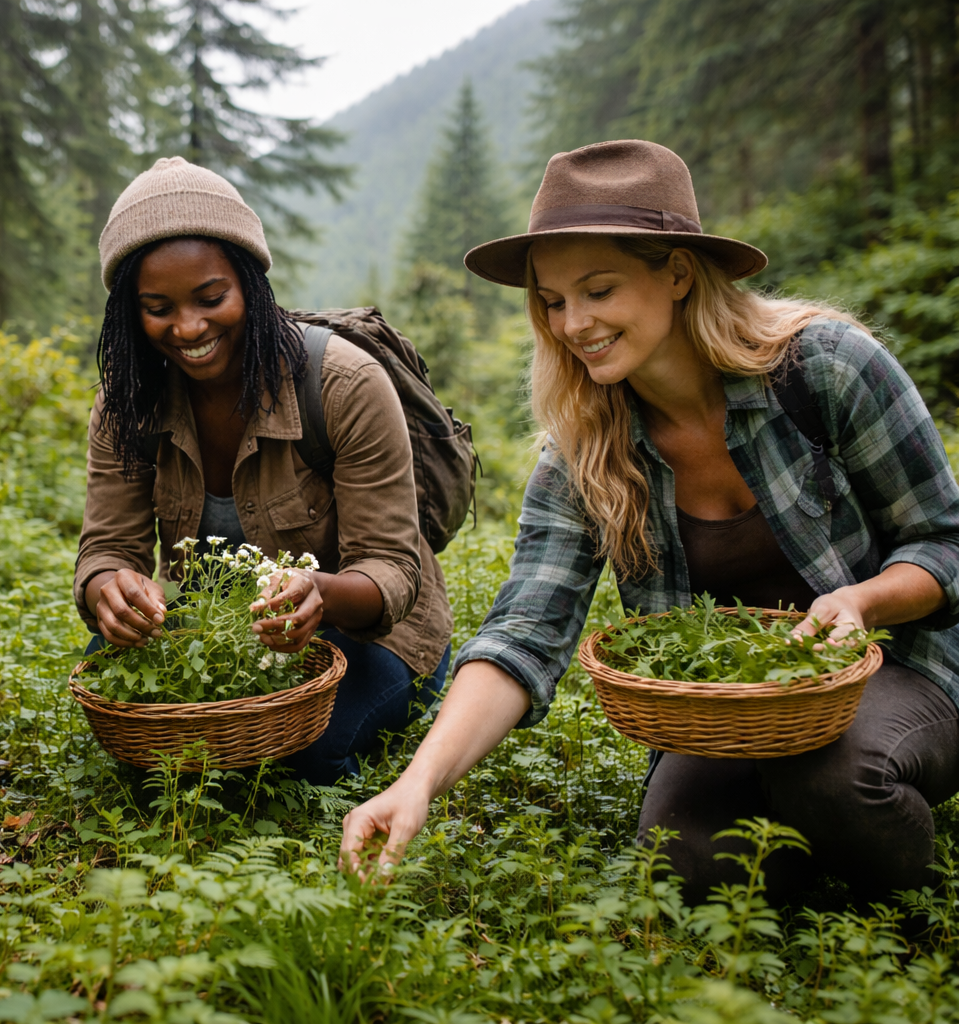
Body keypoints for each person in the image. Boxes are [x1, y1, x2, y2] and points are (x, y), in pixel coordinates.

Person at [340, 139, 959, 904]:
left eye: (598, 290)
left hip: (894, 672)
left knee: (835, 781)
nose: (573, 324)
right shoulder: (583, 448)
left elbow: (944, 541)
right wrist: (417, 785)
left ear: (675, 272)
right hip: (720, 713)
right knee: (682, 857)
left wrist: (861, 602)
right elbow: (526, 632)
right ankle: (814, 863)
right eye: (552, 300)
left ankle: (891, 885)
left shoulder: (826, 369)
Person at [74, 157, 454, 785]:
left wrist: (320, 595)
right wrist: (107, 589)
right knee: (130, 726)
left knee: (298, 752)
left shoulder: (343, 384)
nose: (188, 327)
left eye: (211, 297)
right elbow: (107, 546)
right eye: (157, 307)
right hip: (222, 628)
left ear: (250, 283)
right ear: (128, 313)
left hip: (367, 636)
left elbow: (390, 569)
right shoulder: (127, 402)